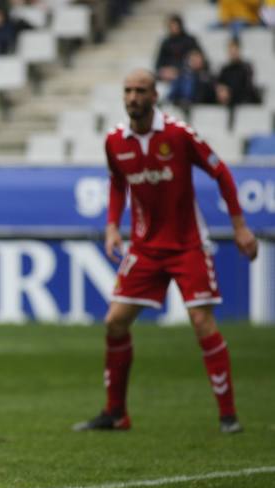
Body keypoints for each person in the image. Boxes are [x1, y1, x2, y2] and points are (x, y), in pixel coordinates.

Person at [73, 69, 258, 434]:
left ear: (155, 95)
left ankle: (228, 415)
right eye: (127, 90)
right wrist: (112, 226)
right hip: (145, 247)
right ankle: (115, 413)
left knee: (202, 322)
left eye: (140, 90)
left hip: (188, 244)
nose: (132, 97)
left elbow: (220, 171)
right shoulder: (115, 141)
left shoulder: (177, 133)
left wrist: (239, 226)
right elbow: (117, 183)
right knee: (115, 321)